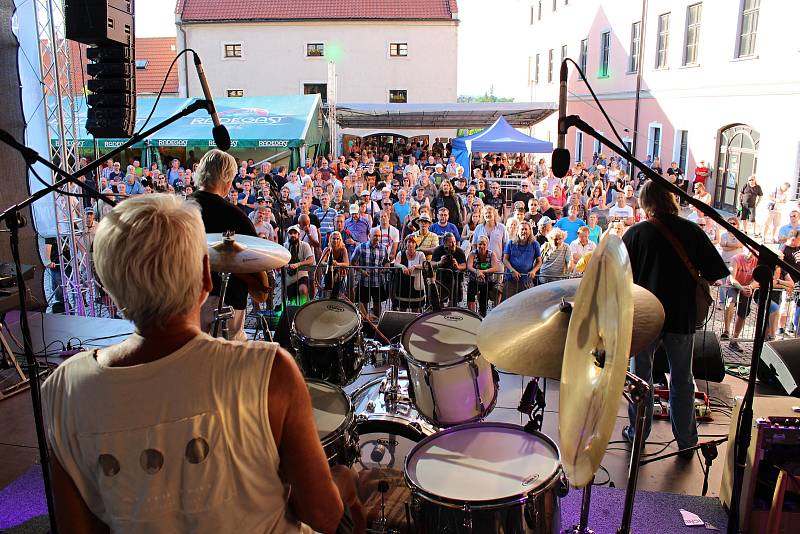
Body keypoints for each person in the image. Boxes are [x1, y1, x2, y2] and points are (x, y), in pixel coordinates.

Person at [42, 194, 363, 534]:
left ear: (107, 283)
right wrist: (344, 480)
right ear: (206, 277)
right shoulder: (268, 371)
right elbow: (323, 515)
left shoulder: (63, 390)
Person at [621, 180, 728, 456]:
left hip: (644, 319)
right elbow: (717, 270)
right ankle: (686, 442)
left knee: (641, 379)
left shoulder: (636, 234)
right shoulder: (692, 231)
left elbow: (618, 276)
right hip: (680, 317)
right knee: (682, 379)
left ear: (646, 204)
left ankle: (638, 435)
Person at [192, 150, 270, 340]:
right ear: (228, 179)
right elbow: (260, 284)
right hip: (227, 302)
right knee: (227, 363)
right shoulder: (235, 216)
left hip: (187, 299)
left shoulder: (179, 210)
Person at [350, 227, 390, 320]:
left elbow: (386, 261)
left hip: (378, 281)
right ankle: (365, 325)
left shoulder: (383, 248)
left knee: (378, 305)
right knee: (363, 305)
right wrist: (362, 271)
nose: (377, 238)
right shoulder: (361, 247)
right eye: (375, 235)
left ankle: (376, 326)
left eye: (379, 236)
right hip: (364, 281)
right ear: (369, 236)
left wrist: (385, 267)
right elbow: (352, 262)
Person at [503, 221, 542, 298]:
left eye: (526, 229)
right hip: (511, 280)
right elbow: (505, 259)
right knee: (510, 303)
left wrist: (534, 271)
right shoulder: (510, 243)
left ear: (530, 231)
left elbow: (539, 261)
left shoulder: (535, 244)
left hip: (526, 280)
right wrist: (512, 270)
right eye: (522, 229)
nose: (524, 231)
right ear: (517, 231)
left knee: (526, 304)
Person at [467, 235, 501, 317]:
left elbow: (496, 267)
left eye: (484, 244)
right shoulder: (472, 253)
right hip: (474, 280)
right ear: (477, 245)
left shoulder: (491, 254)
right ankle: (472, 315)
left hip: (487, 281)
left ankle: (482, 317)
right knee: (470, 294)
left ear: (487, 245)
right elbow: (469, 266)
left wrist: (483, 271)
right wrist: (477, 272)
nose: (481, 246)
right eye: (480, 244)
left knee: (483, 301)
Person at [431, 232, 467, 307]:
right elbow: (432, 263)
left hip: (456, 280)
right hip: (441, 279)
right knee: (440, 300)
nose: (453, 244)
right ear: (445, 243)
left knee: (453, 302)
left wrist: (457, 266)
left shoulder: (459, 251)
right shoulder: (438, 250)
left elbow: (464, 265)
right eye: (451, 242)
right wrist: (439, 263)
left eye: (454, 242)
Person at [392, 235, 426, 311]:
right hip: (403, 283)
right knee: (402, 307)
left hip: (416, 284)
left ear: (416, 244)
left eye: (413, 242)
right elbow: (396, 263)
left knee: (415, 308)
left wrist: (415, 266)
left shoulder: (420, 254)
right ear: (406, 243)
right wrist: (402, 266)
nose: (410, 244)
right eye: (409, 242)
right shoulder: (401, 253)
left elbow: (424, 265)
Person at [317, 231, 349, 298]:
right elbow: (321, 262)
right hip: (328, 274)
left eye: (337, 239)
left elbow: (347, 263)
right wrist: (329, 263)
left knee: (340, 294)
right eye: (334, 238)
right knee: (325, 291)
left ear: (340, 240)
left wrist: (337, 264)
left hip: (341, 275)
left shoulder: (343, 249)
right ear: (330, 239)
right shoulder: (327, 249)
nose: (335, 240)